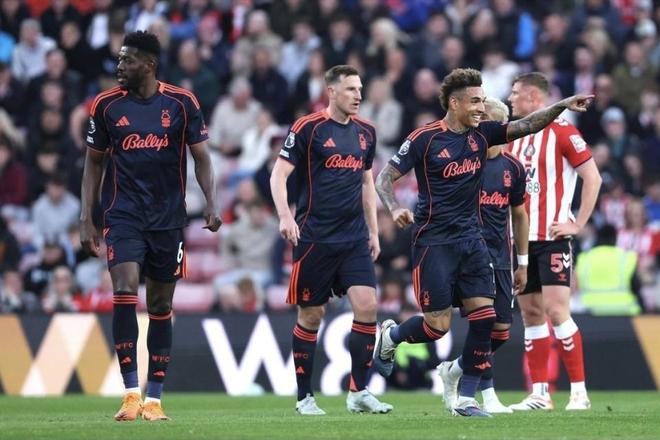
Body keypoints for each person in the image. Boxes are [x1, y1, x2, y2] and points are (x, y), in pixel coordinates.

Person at [374, 68, 593, 417]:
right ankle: (392, 337)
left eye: (482, 100)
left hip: (472, 242)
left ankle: (466, 399)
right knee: (436, 327)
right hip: (434, 243)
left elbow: (528, 124)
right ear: (455, 103)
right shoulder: (424, 139)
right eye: (475, 101)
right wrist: (394, 207)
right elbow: (385, 178)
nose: (481, 107)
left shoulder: (483, 135)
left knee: (486, 318)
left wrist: (563, 104)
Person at [79, 31, 221, 422]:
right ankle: (130, 394)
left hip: (168, 219)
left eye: (127, 60)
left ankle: (154, 399)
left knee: (160, 305)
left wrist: (211, 202)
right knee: (125, 289)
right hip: (123, 214)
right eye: (119, 60)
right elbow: (93, 163)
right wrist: (86, 217)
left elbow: (202, 157)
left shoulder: (181, 102)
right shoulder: (106, 105)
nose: (119, 67)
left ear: (149, 64)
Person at [270, 65, 392, 416]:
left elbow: (367, 182)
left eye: (360, 88)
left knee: (367, 306)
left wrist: (373, 230)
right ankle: (304, 398)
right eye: (351, 89)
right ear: (332, 92)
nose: (358, 95)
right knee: (311, 314)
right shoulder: (307, 128)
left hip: (353, 237)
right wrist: (285, 216)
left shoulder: (366, 132)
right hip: (315, 237)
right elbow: (278, 175)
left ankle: (358, 392)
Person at [506, 72, 602, 411]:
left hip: (552, 238)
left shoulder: (564, 132)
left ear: (534, 97)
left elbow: (593, 178)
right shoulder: (512, 135)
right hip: (520, 242)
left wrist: (578, 223)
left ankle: (579, 393)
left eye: (515, 93)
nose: (510, 98)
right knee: (531, 315)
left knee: (557, 311)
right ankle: (539, 394)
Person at [437, 97, 529, 414]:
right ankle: (476, 396)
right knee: (484, 325)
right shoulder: (464, 161)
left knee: (501, 332)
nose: (477, 119)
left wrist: (522, 262)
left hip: (501, 256)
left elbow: (519, 215)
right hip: (470, 255)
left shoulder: (513, 168)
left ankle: (455, 369)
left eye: (484, 116)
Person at [576, 224, 641, 316]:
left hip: (590, 309)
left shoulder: (584, 258)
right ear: (615, 238)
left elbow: (576, 286)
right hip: (623, 309)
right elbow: (636, 286)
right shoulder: (626, 257)